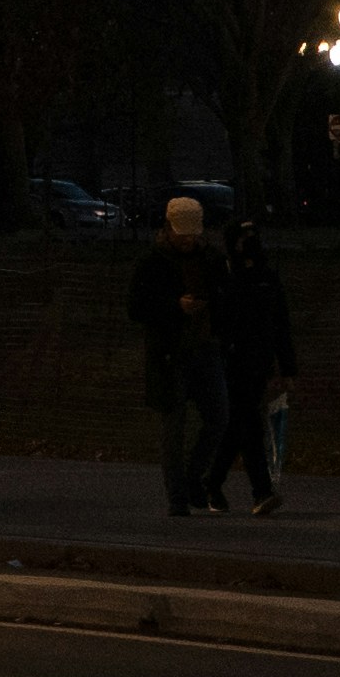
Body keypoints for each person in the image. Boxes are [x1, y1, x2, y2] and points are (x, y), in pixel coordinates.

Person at [121, 193, 229, 516]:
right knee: (173, 427)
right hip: (171, 354)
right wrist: (175, 307)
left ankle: (194, 476)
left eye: (192, 234)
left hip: (206, 348)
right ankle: (177, 496)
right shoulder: (152, 263)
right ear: (168, 230)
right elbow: (136, 307)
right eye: (182, 234)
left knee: (219, 417)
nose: (188, 240)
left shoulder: (210, 259)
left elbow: (225, 296)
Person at [214, 209, 300, 517]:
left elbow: (280, 324)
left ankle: (211, 481)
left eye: (253, 238)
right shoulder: (225, 276)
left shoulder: (266, 277)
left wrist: (287, 368)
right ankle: (261, 491)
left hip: (258, 363)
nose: (250, 243)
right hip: (232, 362)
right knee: (249, 425)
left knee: (238, 426)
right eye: (244, 238)